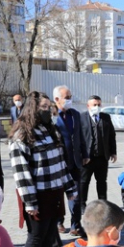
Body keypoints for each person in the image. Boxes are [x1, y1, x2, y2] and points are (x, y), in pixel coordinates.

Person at [10, 91, 77, 247]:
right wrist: (30, 202)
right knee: (36, 235)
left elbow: (61, 162)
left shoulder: (50, 130)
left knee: (49, 235)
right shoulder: (21, 134)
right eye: (44, 107)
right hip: (36, 194)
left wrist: (70, 188)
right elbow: (21, 172)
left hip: (54, 191)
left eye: (49, 107)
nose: (49, 111)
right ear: (33, 108)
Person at [53, 85, 86, 236]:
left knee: (76, 195)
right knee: (58, 195)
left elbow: (80, 136)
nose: (69, 100)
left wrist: (85, 154)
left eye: (70, 97)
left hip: (75, 162)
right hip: (59, 163)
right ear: (57, 99)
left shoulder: (75, 115)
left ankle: (76, 224)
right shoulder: (52, 116)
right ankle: (59, 221)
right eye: (67, 97)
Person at [79, 95, 117, 215]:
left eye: (99, 104)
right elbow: (78, 138)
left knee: (102, 182)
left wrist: (113, 152)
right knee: (84, 182)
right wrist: (81, 155)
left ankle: (103, 205)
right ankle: (82, 205)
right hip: (87, 159)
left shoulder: (106, 117)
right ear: (88, 106)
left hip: (102, 157)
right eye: (94, 104)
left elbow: (111, 135)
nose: (97, 107)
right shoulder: (81, 118)